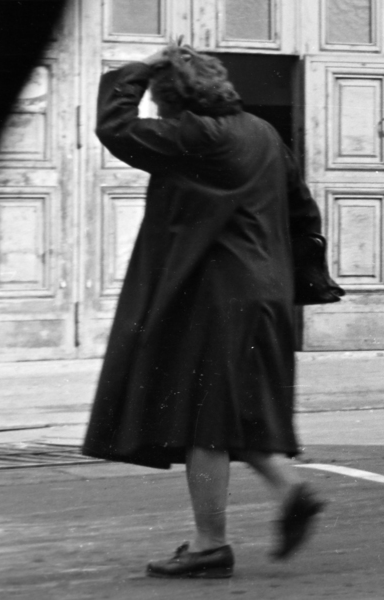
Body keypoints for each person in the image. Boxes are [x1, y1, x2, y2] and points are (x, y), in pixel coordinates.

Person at [83, 46, 325, 580]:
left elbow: (115, 127)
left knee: (205, 421)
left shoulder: (196, 135)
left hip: (221, 297)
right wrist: (304, 280)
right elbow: (303, 209)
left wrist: (140, 69)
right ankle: (291, 491)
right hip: (262, 292)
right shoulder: (262, 133)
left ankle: (209, 544)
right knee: (227, 411)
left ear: (173, 99)